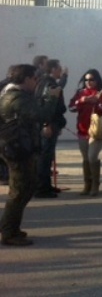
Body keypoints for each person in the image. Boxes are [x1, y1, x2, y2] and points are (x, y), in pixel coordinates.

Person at [0, 64, 58, 246]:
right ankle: (9, 232)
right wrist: (52, 99)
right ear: (25, 79)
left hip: (20, 147)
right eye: (34, 78)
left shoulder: (18, 95)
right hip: (16, 149)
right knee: (19, 191)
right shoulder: (15, 97)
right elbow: (41, 114)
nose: (36, 82)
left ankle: (10, 227)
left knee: (28, 186)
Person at [69, 68, 102, 196]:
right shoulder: (80, 92)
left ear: (97, 80)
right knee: (85, 159)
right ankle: (87, 184)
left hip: (97, 130)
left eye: (91, 79)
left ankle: (95, 184)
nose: (88, 82)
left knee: (92, 157)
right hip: (82, 130)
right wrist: (83, 101)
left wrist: (98, 102)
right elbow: (71, 107)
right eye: (86, 79)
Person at [33, 59, 68, 198]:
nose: (60, 71)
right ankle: (42, 188)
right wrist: (47, 124)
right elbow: (47, 106)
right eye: (59, 69)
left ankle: (46, 185)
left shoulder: (45, 82)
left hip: (53, 123)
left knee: (47, 157)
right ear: (53, 69)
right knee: (45, 157)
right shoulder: (48, 83)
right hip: (49, 123)